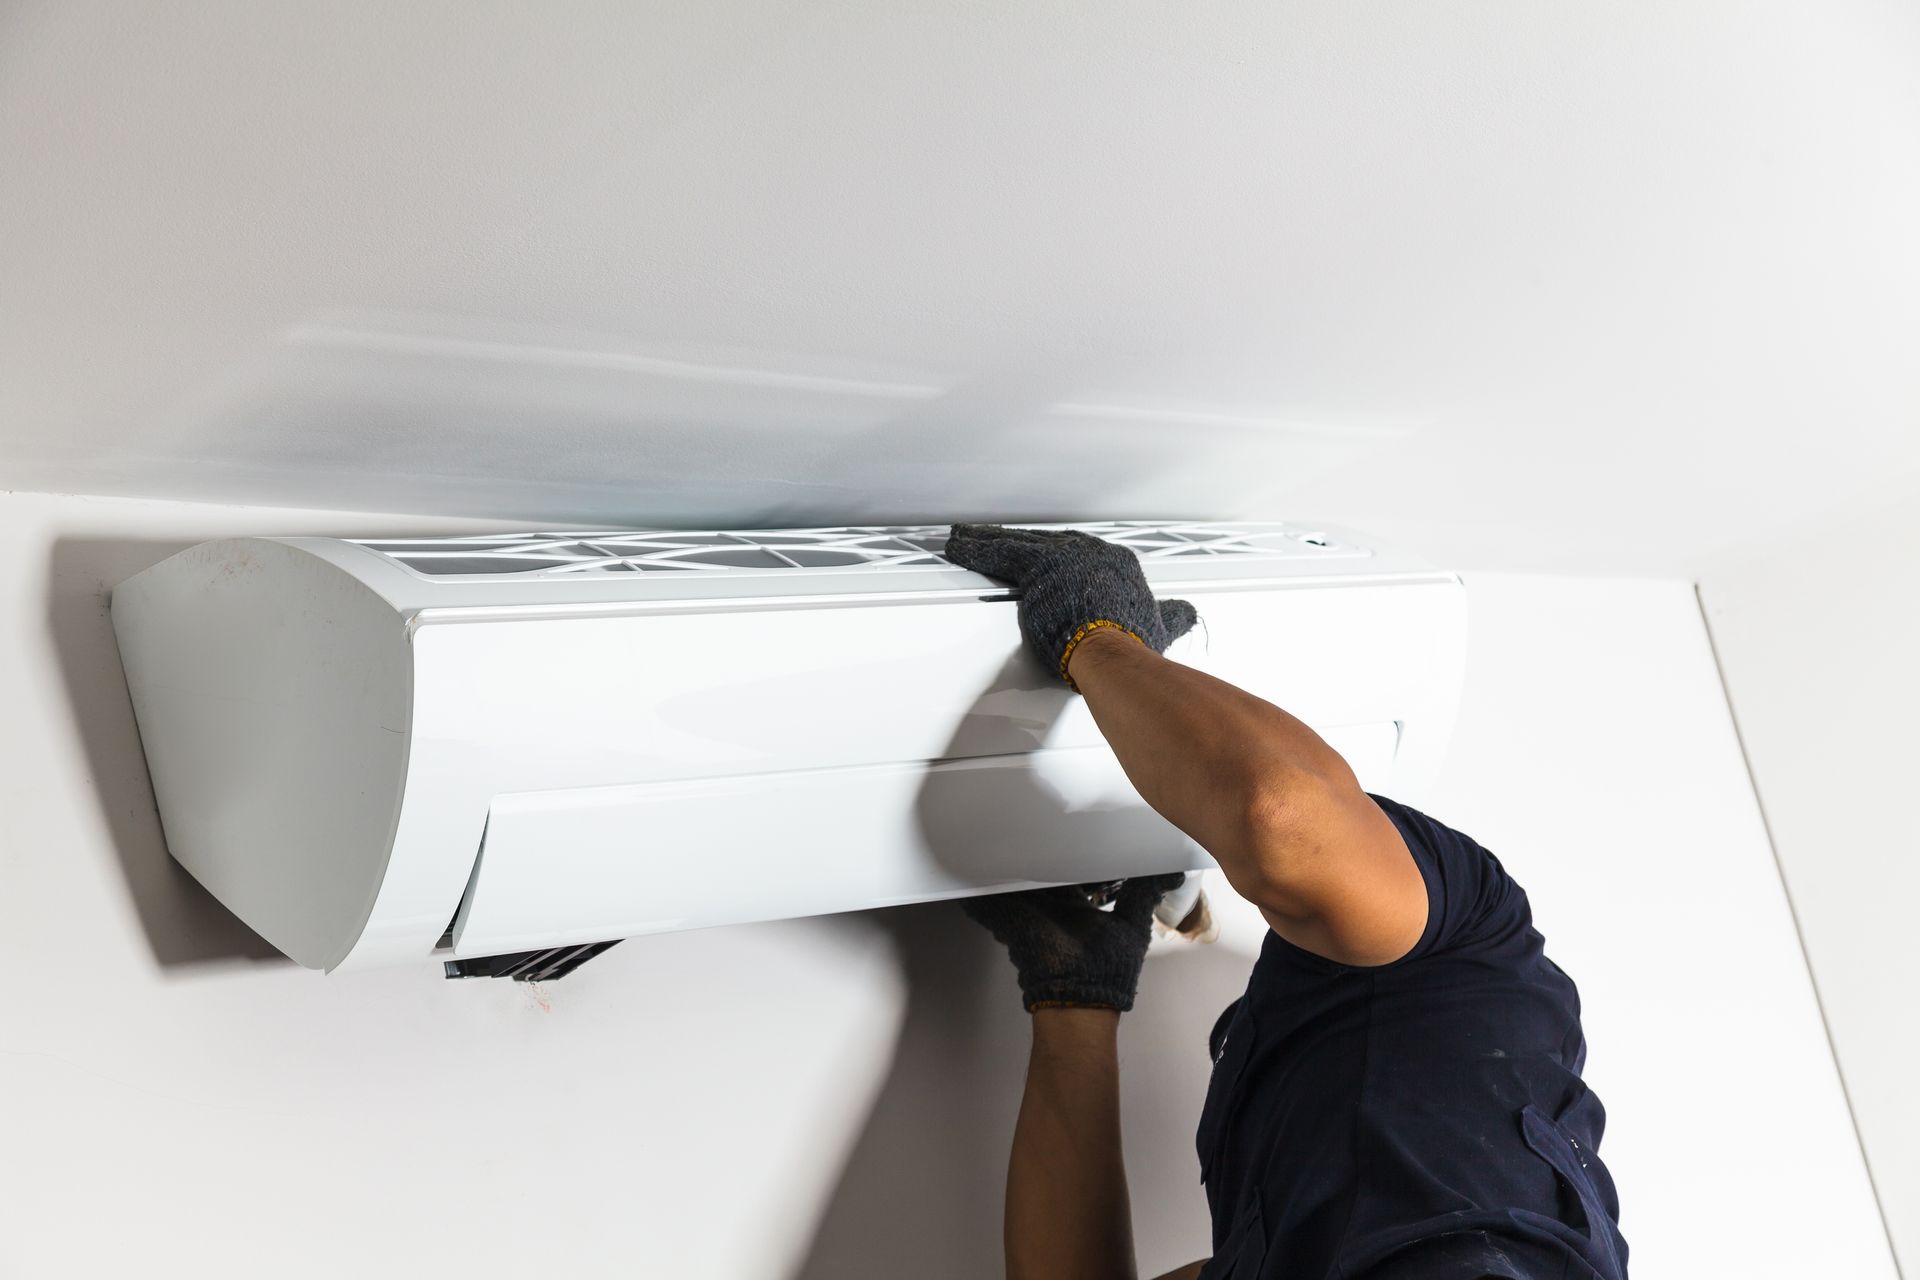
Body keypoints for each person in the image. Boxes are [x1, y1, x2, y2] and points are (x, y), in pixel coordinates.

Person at [943, 524, 1628, 1280]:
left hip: (1318, 1116)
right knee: (1293, 841)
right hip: (1431, 964)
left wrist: (1075, 998)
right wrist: (1099, 637)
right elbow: (1279, 820)